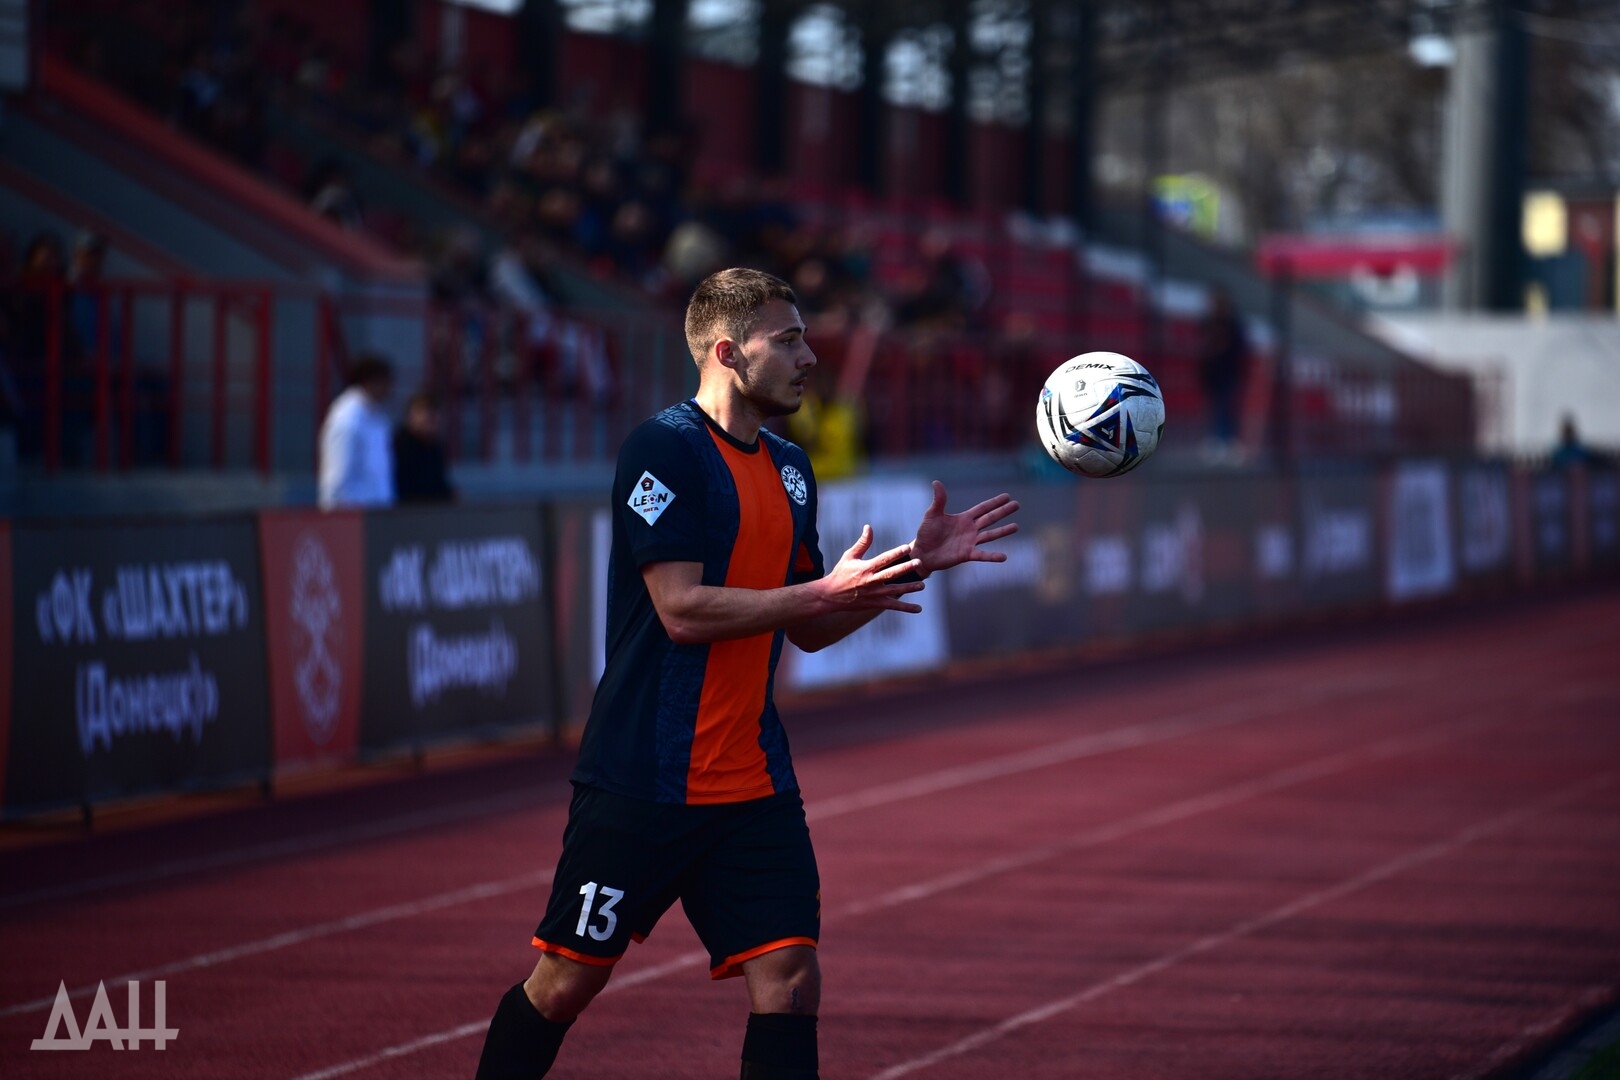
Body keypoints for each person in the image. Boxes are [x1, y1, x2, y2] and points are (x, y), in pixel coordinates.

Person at [474, 268, 1019, 1080]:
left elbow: (809, 628)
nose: (810, 357)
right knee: (563, 986)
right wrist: (820, 590)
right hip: (642, 782)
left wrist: (912, 564)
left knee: (790, 981)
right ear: (727, 352)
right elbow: (681, 610)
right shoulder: (665, 449)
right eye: (788, 340)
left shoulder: (792, 468)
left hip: (752, 785)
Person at [317, 354, 395, 509]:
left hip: (378, 511)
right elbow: (338, 477)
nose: (390, 389)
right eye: (386, 382)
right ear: (371, 382)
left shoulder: (378, 417)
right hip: (351, 512)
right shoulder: (347, 418)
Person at [1198, 287, 1249, 464]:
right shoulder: (1208, 322)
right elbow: (1203, 346)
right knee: (1218, 408)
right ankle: (1219, 441)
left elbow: (1239, 348)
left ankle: (1227, 441)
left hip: (1229, 373)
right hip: (1213, 374)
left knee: (1226, 408)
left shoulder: (1232, 324)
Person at [392, 389, 454, 503]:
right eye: (422, 411)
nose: (428, 416)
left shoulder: (435, 447)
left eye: (433, 411)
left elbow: (438, 484)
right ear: (410, 416)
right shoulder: (398, 446)